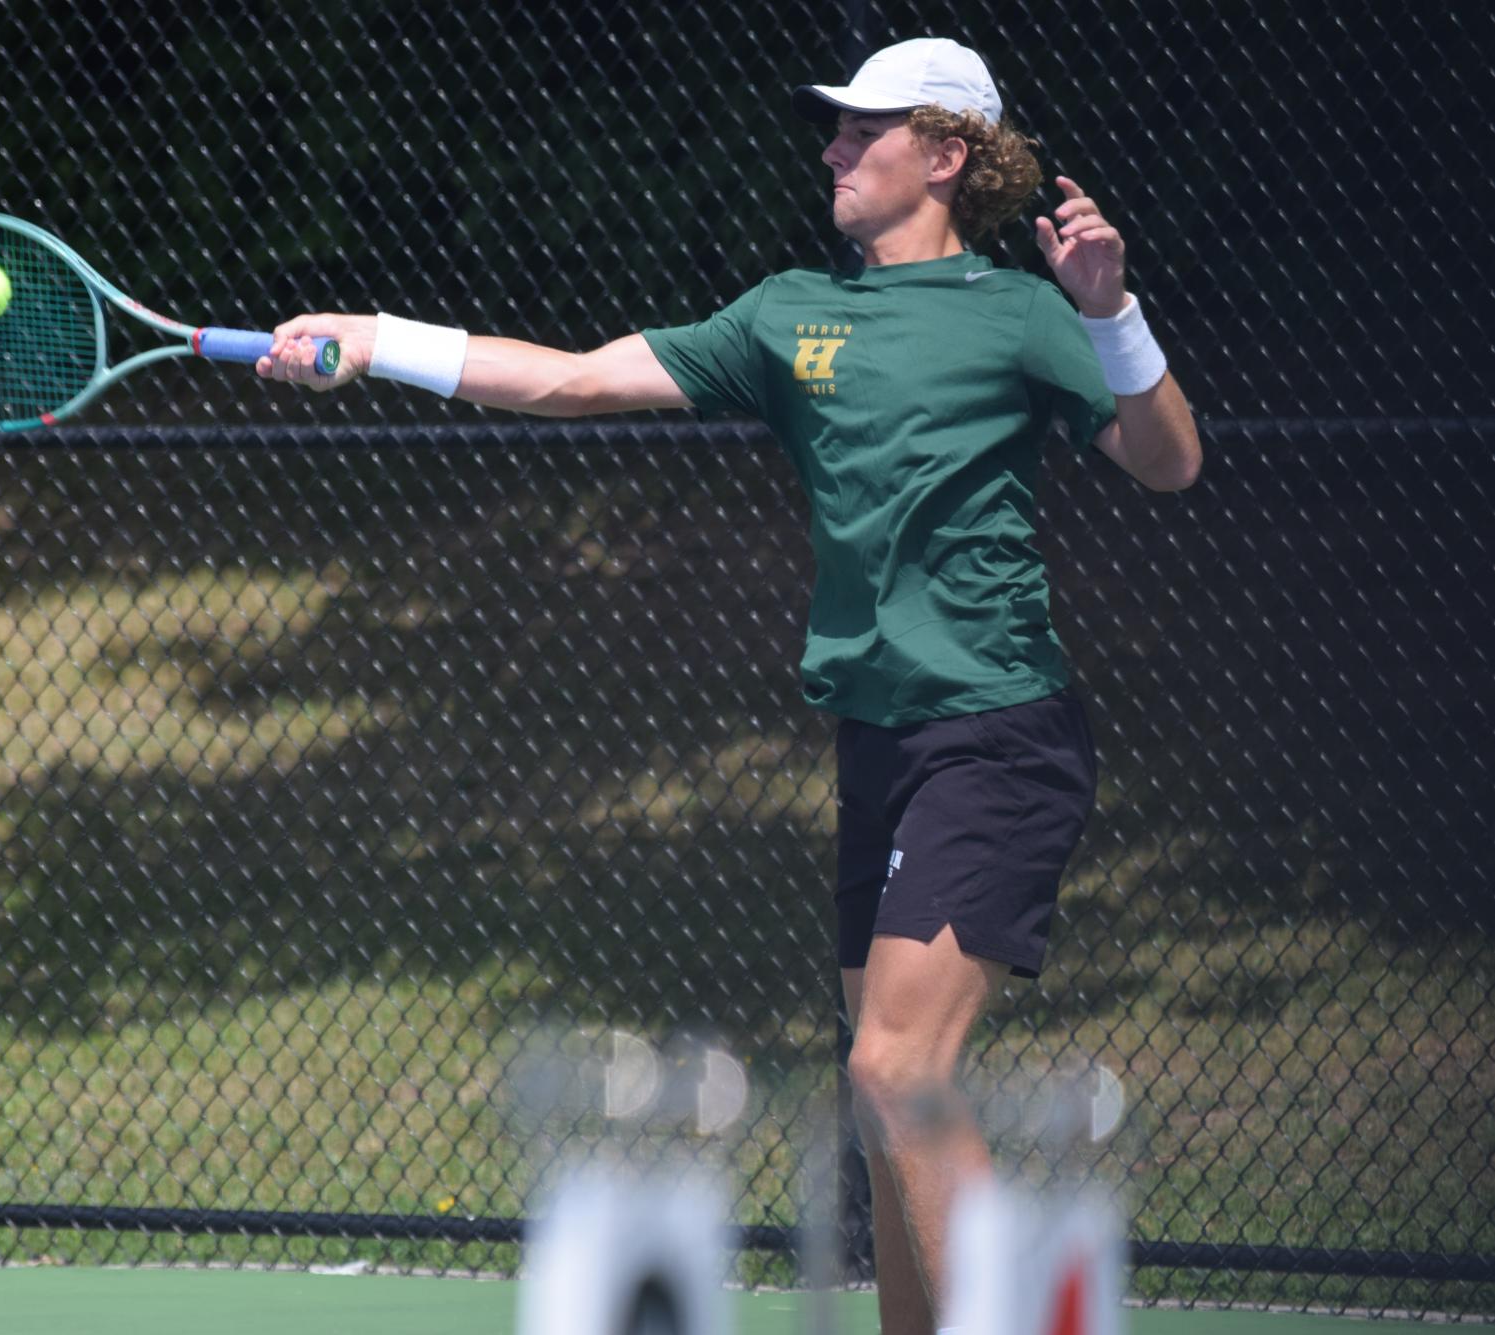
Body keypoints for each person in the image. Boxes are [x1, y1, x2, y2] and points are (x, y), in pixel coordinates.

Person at [257, 35, 1200, 1335]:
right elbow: (578, 377)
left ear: (943, 155)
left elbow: (1166, 463)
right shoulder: (785, 315)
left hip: (996, 733)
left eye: (858, 129)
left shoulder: (1023, 314)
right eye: (830, 128)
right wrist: (378, 336)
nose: (828, 148)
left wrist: (1109, 312)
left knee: (895, 1072)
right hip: (877, 745)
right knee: (885, 1109)